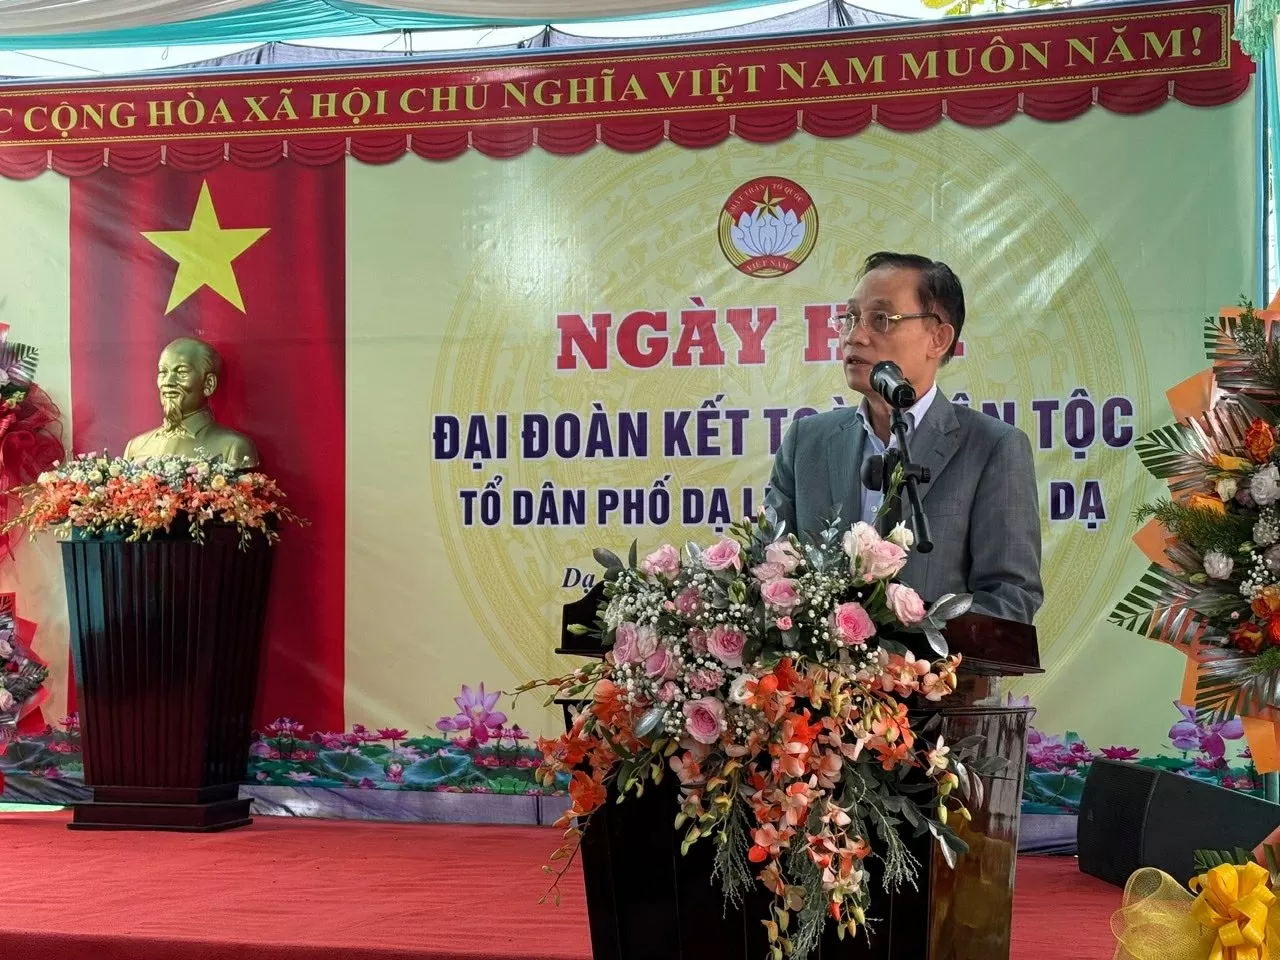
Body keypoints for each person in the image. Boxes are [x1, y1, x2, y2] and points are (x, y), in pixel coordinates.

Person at [765, 251, 1042, 623]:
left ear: (938, 339)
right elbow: (766, 569)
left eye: (881, 319)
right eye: (850, 318)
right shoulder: (807, 442)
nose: (855, 336)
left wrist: (910, 643)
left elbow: (1010, 600)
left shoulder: (992, 447)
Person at [124, 337, 259, 468]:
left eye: (181, 372)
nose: (168, 382)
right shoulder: (136, 447)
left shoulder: (233, 447)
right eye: (163, 372)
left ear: (208, 384)